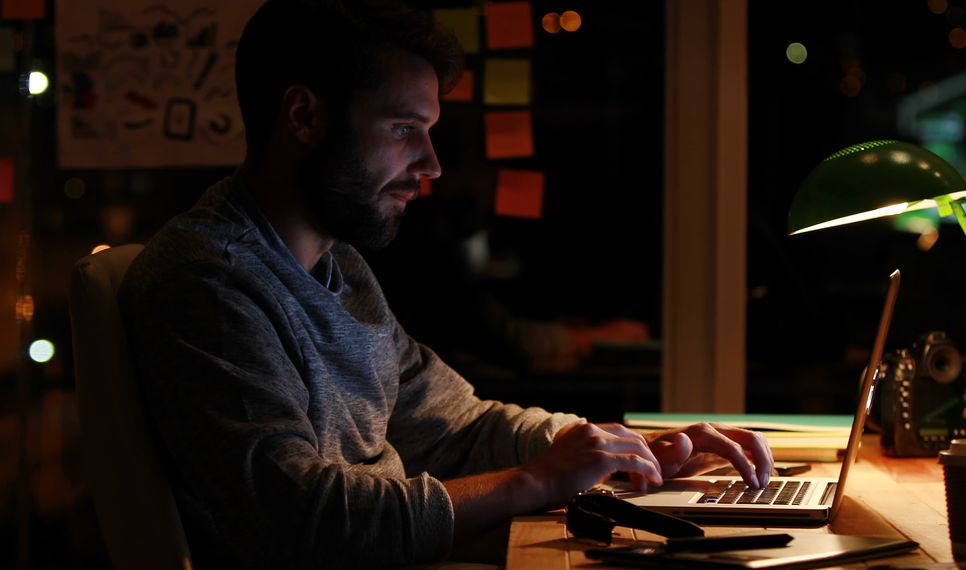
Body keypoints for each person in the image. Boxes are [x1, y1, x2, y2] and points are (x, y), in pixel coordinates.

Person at [118, 1, 773, 567]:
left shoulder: (337, 265)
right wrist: (539, 479)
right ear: (303, 116)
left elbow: (455, 426)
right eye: (405, 131)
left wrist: (599, 449)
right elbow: (300, 521)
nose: (429, 166)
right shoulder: (209, 285)